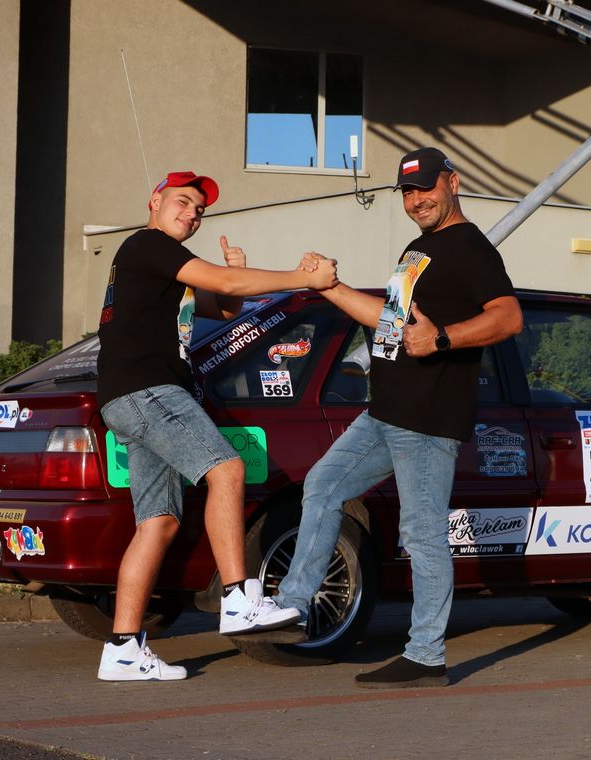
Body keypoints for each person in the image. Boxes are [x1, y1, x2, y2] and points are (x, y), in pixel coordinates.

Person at [271, 148, 523, 688]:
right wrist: (331, 289)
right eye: (407, 192)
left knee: (422, 533)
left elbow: (508, 316)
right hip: (386, 411)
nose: (416, 200)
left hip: (429, 420)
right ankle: (292, 606)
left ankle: (427, 655)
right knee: (322, 486)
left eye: (425, 188)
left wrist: (444, 337)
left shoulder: (470, 247)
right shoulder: (417, 250)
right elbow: (390, 325)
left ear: (453, 182)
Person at [95, 171, 338, 681]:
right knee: (226, 468)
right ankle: (239, 599)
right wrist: (303, 277)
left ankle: (121, 648)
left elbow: (222, 302)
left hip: (129, 400)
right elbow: (225, 288)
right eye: (182, 202)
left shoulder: (159, 265)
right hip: (149, 393)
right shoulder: (149, 244)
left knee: (158, 522)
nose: (192, 213)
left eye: (200, 209)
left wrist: (235, 275)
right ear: (154, 201)